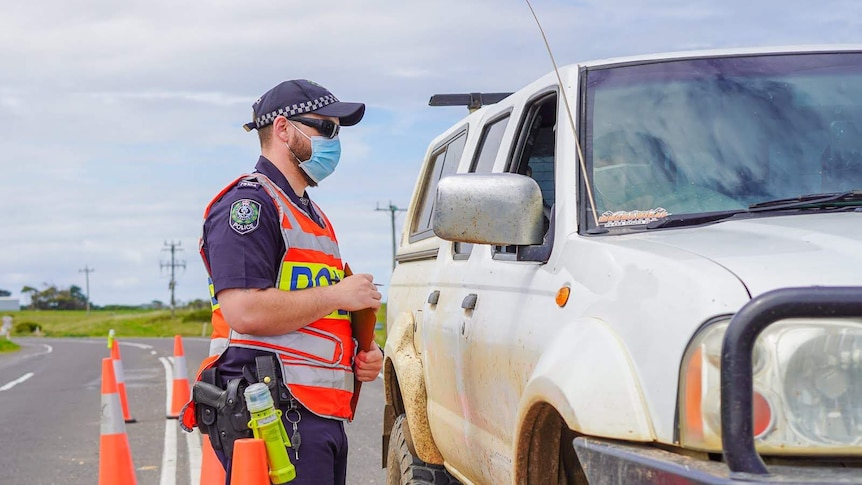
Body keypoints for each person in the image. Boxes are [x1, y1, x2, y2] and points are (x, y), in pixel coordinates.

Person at [180, 79, 383, 485]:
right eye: (326, 128)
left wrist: (362, 355)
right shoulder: (251, 205)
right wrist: (339, 293)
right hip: (271, 418)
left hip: (317, 419)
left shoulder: (313, 215)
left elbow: (317, 314)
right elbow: (245, 309)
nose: (335, 140)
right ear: (284, 129)